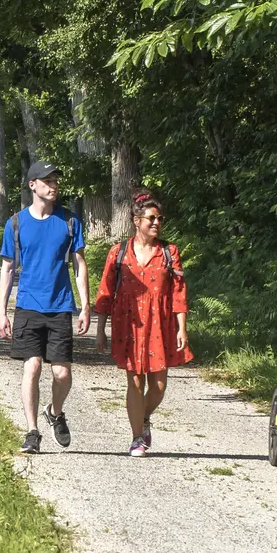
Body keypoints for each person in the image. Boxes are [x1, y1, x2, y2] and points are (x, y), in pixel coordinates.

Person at [0, 162, 90, 454]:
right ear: (32, 185)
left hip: (60, 305)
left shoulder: (69, 221)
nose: (53, 185)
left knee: (62, 373)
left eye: (55, 181)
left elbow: (79, 264)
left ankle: (55, 411)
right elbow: (8, 267)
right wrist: (1, 310)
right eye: (46, 180)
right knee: (33, 366)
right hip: (27, 306)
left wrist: (86, 306)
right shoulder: (15, 223)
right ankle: (32, 431)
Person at [93, 191, 192, 457]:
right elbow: (106, 291)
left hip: (161, 323)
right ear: (136, 220)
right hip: (129, 324)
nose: (157, 223)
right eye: (151, 218)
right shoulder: (119, 252)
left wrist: (182, 328)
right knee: (135, 381)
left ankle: (143, 417)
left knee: (159, 386)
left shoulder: (169, 252)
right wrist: (100, 329)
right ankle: (137, 436)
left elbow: (178, 293)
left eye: (160, 218)